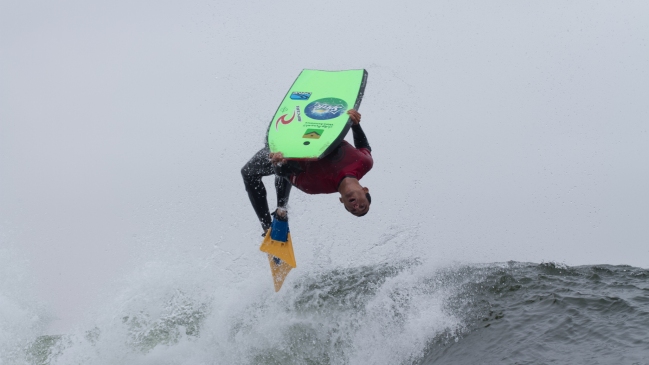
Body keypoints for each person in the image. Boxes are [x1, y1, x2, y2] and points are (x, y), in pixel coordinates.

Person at [241, 109, 373, 234]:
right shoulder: (365, 163)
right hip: (313, 126)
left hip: (288, 149)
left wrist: (278, 163)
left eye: (352, 211)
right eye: (362, 206)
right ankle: (281, 210)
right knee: (274, 146)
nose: (356, 207)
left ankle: (269, 224)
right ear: (365, 190)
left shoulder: (315, 186)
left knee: (249, 172)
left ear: (342, 201)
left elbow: (284, 173)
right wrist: (355, 124)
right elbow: (363, 146)